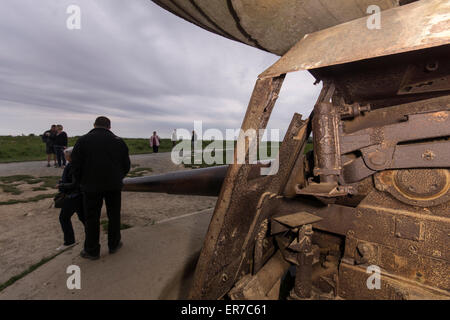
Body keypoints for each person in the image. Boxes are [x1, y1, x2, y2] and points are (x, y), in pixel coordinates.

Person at [71, 116, 130, 260]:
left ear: (94, 125)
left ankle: (92, 250)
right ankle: (114, 244)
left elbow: (75, 165)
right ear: (109, 127)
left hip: (91, 186)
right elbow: (126, 165)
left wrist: (82, 182)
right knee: (114, 215)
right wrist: (117, 177)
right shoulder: (119, 141)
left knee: (92, 218)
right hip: (114, 186)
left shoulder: (83, 140)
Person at [56, 147, 85, 251]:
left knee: (63, 218)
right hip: (79, 196)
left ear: (70, 156)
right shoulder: (77, 163)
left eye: (66, 155)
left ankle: (69, 242)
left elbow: (75, 184)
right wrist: (62, 181)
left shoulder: (74, 165)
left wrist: (61, 185)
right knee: (83, 218)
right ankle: (93, 238)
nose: (65, 157)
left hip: (74, 196)